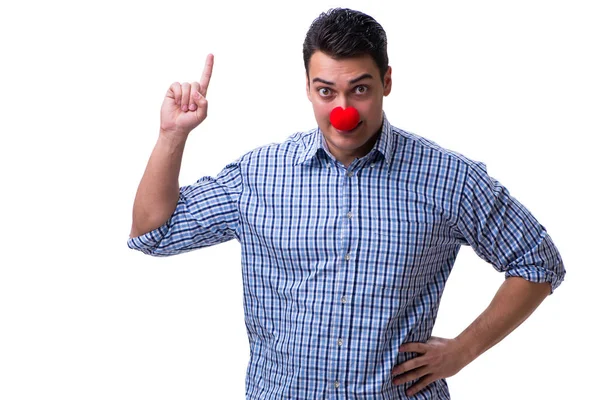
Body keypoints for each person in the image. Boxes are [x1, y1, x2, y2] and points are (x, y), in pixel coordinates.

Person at [127, 8, 565, 399]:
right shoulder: (259, 175)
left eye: (359, 90)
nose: (343, 111)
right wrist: (173, 135)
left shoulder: (448, 178)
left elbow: (538, 262)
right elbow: (153, 233)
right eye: (326, 91)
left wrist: (463, 351)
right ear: (307, 88)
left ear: (387, 81)